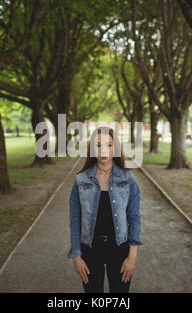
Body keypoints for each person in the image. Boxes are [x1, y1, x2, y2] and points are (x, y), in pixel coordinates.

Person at [67, 126, 143, 293]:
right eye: (98, 145)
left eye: (109, 145)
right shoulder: (80, 180)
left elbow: (134, 217)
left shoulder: (128, 178)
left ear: (115, 147)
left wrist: (132, 256)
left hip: (119, 248)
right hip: (90, 249)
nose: (103, 150)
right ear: (91, 148)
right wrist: (76, 256)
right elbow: (75, 220)